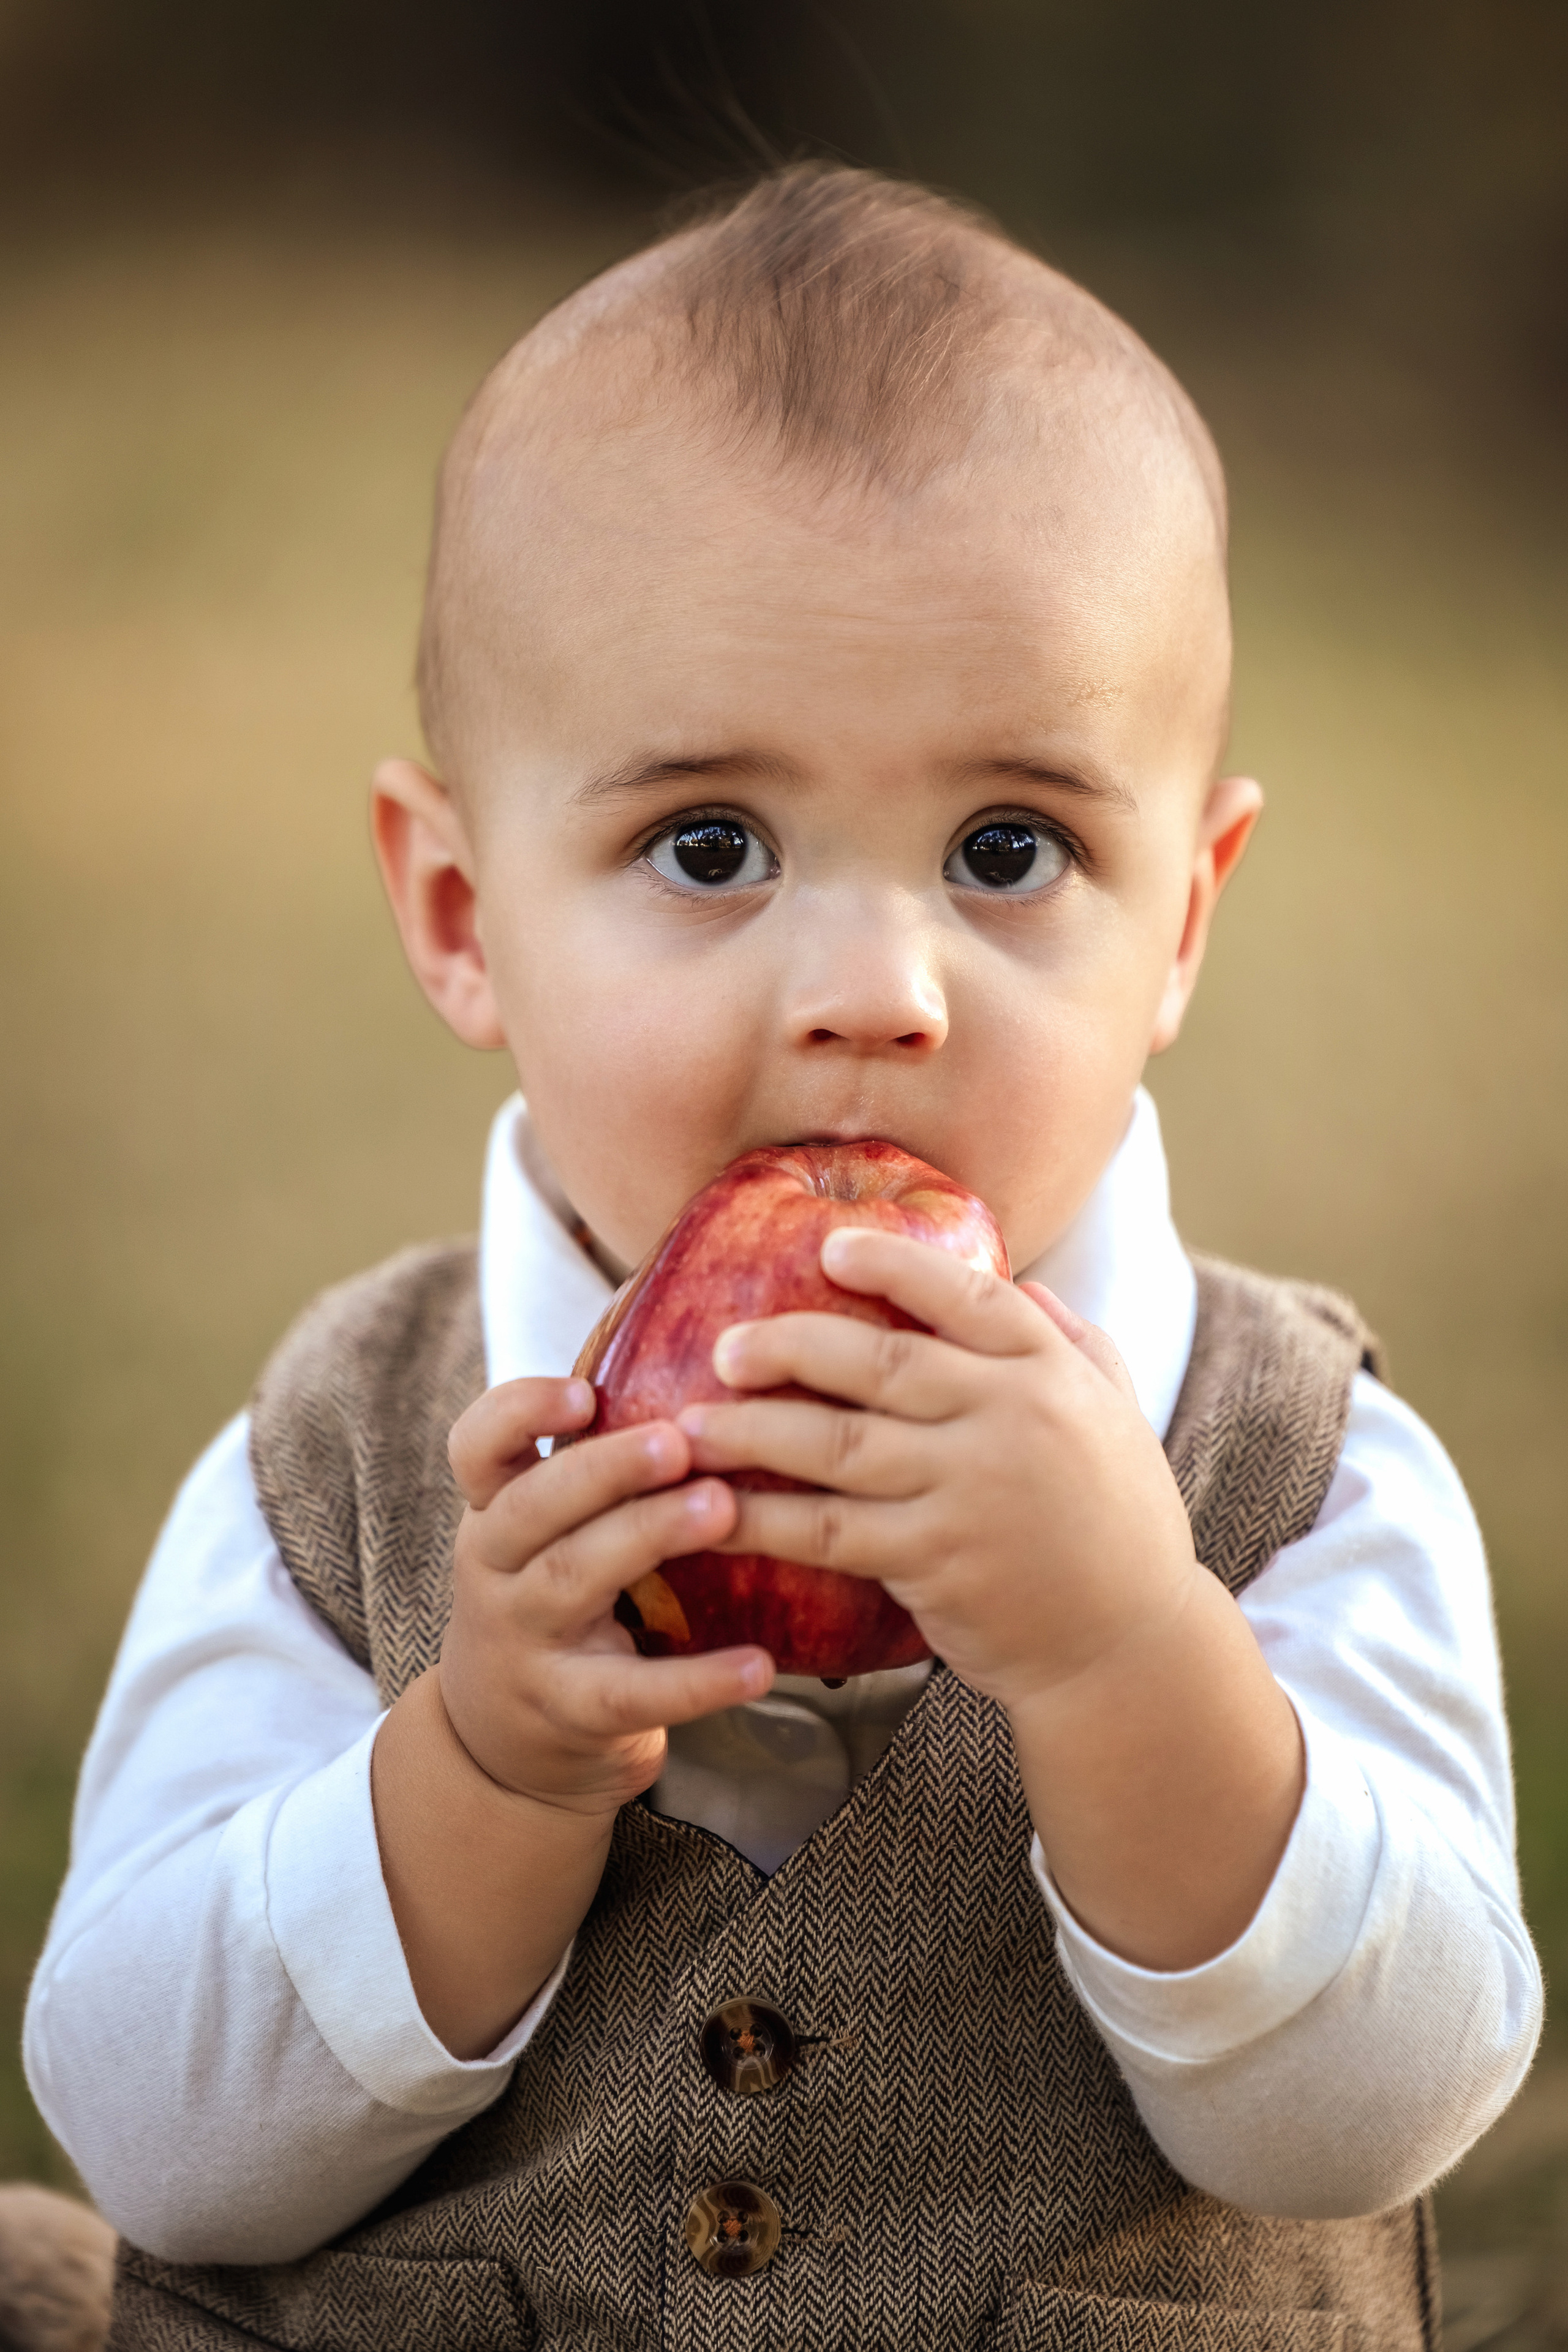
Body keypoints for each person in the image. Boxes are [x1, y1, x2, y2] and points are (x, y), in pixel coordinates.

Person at [23, 165, 1540, 2350]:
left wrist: (1131, 1661)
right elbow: (153, 2141)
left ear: (1182, 924)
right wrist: (477, 1777)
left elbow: (1375, 2119)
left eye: (1009, 847)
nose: (874, 991)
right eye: (709, 844)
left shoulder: (1304, 1480)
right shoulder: (330, 1476)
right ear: (460, 915)